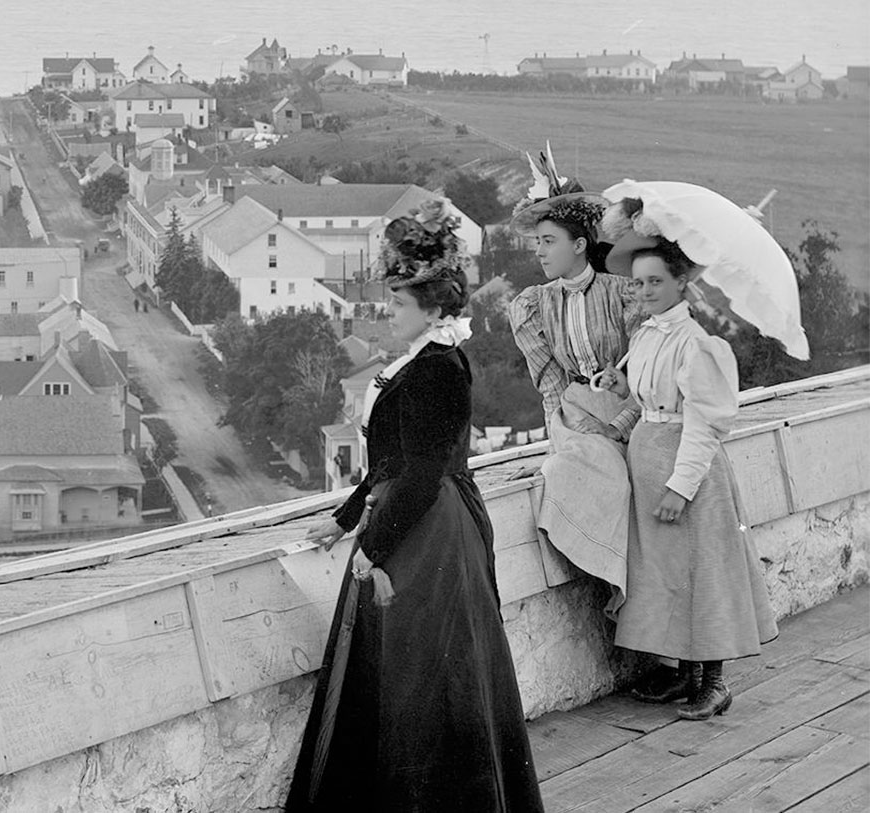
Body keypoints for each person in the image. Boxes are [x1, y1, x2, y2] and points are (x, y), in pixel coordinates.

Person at [287, 199, 543, 811]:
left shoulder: (438, 367)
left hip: (427, 531)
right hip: (409, 517)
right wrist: (344, 520)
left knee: (425, 675)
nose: (388, 310)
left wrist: (371, 549)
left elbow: (424, 473)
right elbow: (393, 462)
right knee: (404, 674)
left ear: (433, 309)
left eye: (399, 302)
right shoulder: (422, 360)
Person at [596, 237, 777, 720]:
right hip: (649, 467)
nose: (647, 291)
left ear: (682, 282)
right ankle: (681, 675)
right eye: (639, 283)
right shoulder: (647, 336)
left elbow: (705, 423)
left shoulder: (699, 344)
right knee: (663, 575)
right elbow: (646, 403)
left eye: (657, 281)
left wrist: (681, 487)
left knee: (701, 573)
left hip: (688, 474)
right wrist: (619, 397)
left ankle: (714, 683)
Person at [506, 152, 639, 617]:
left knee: (626, 483)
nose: (539, 252)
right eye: (537, 242)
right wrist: (554, 447)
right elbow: (550, 385)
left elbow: (646, 374)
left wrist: (620, 422)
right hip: (573, 415)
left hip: (628, 413)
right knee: (579, 468)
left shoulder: (622, 292)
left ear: (580, 244)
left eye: (548, 241)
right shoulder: (533, 306)